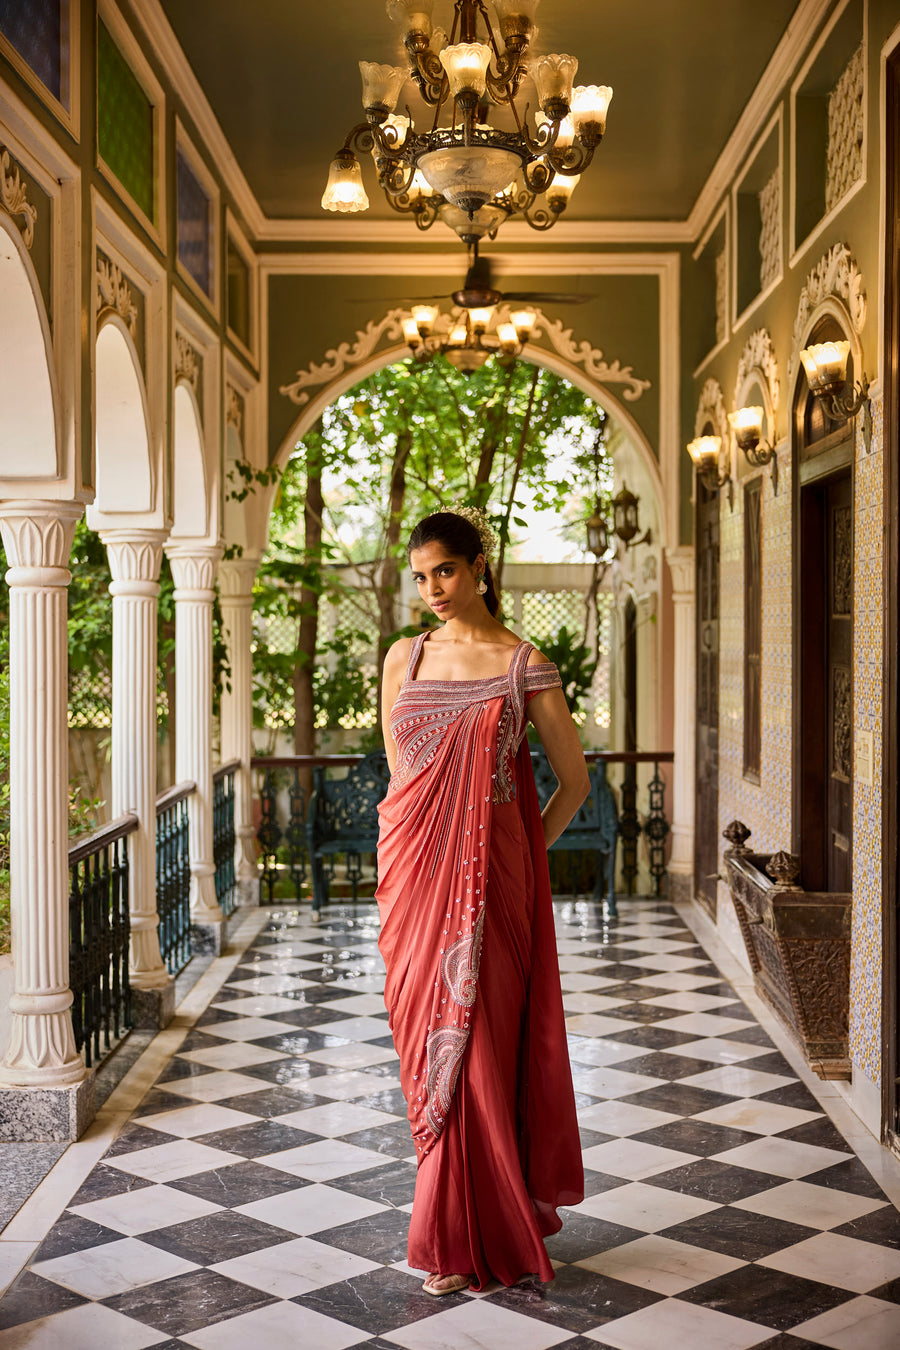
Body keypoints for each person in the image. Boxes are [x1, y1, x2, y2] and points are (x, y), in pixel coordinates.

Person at [376, 507, 590, 1296]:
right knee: (426, 1043)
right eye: (423, 575)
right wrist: (403, 857)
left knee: (479, 1050)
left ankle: (464, 1236)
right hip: (413, 881)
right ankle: (466, 1216)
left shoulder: (521, 664)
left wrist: (517, 854)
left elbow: (575, 784)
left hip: (495, 885)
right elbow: (402, 777)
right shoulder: (407, 656)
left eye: (447, 571)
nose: (434, 589)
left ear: (479, 565)